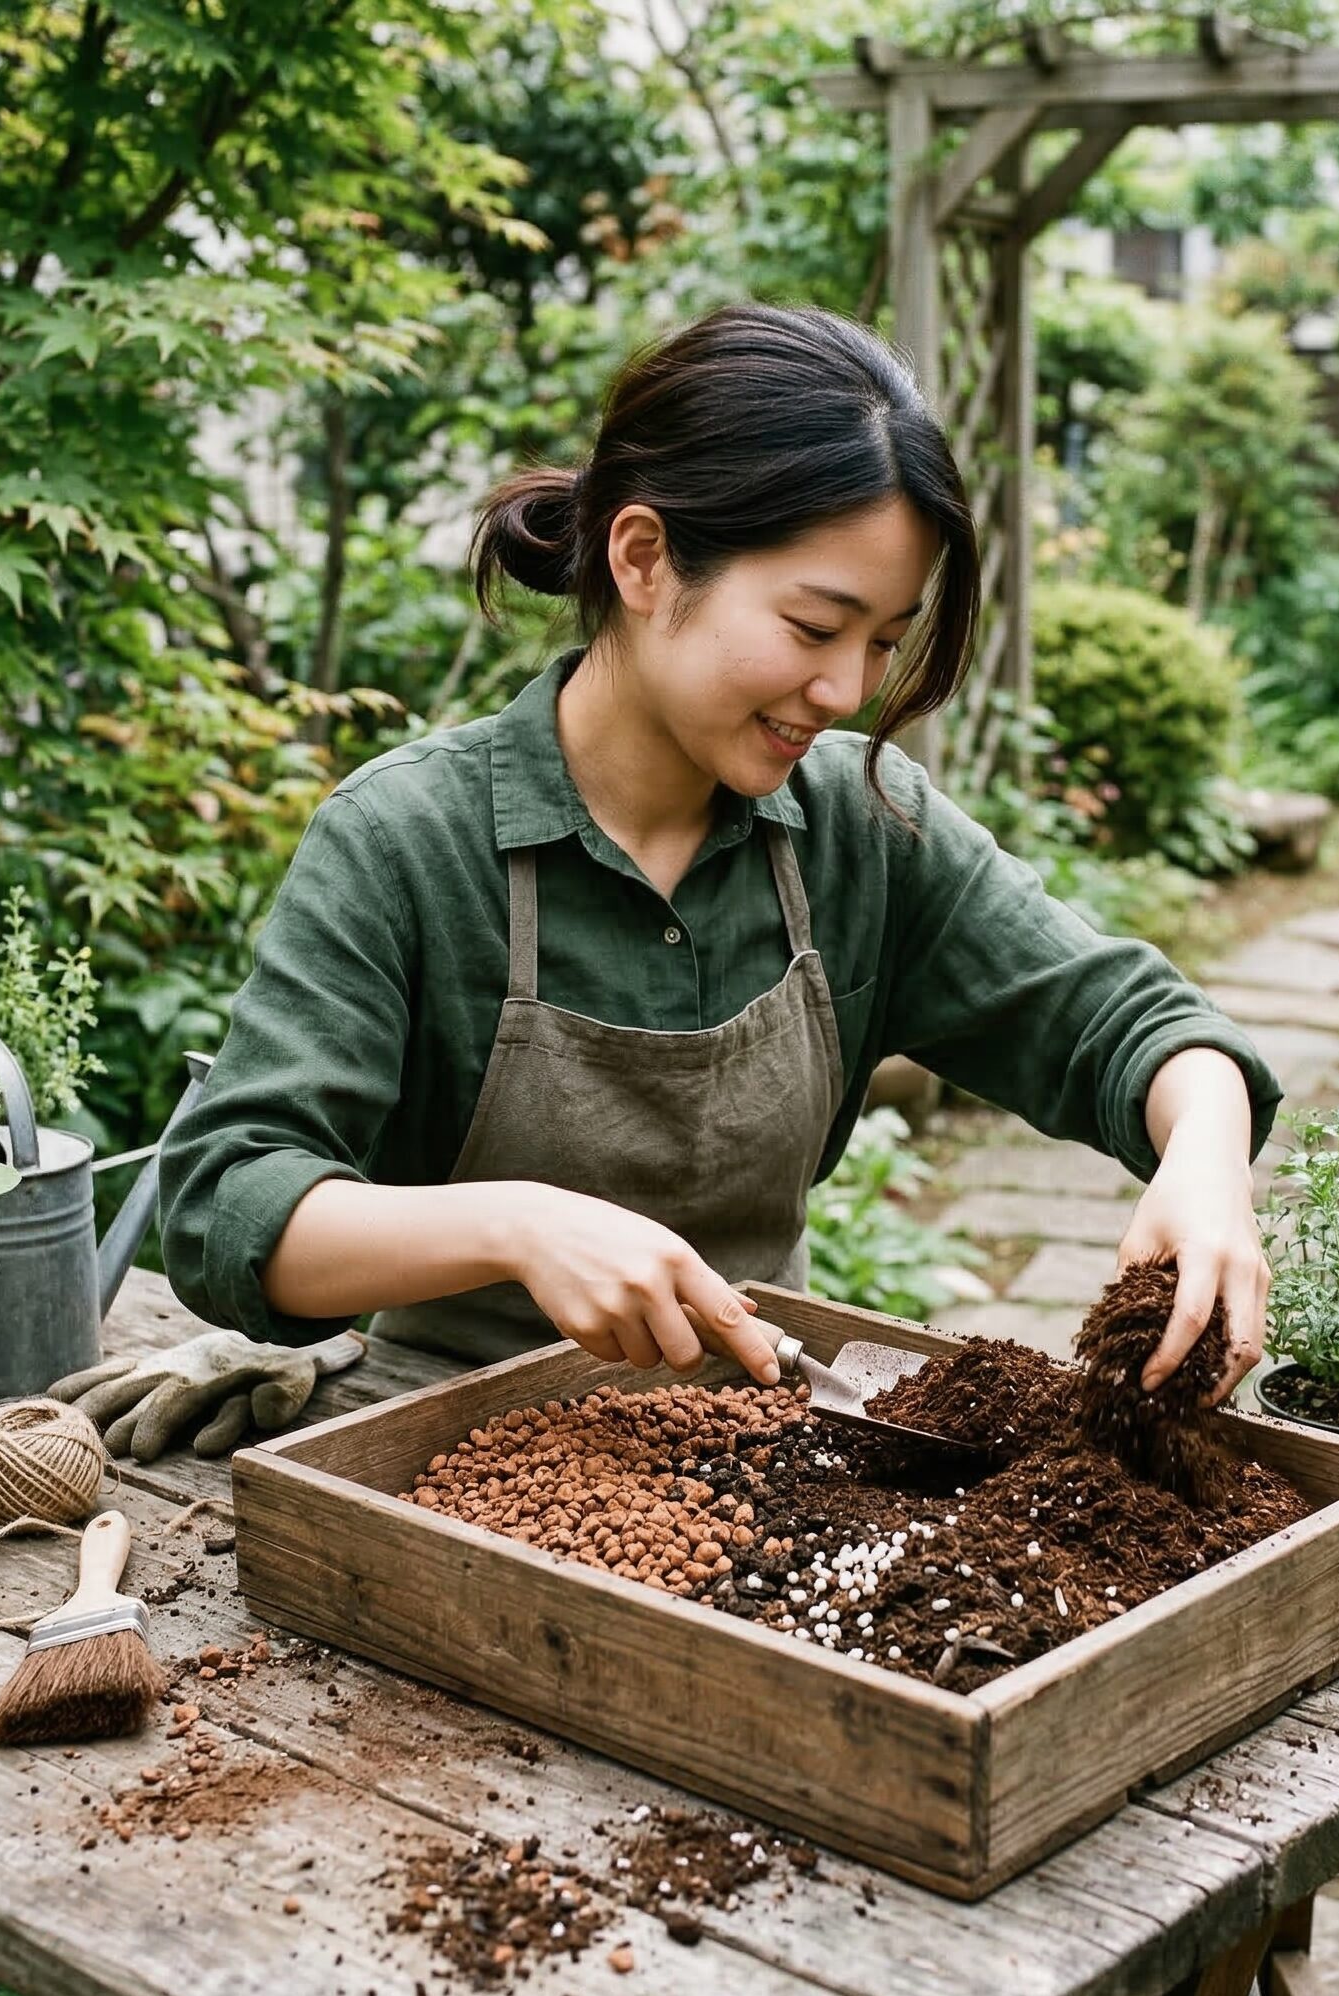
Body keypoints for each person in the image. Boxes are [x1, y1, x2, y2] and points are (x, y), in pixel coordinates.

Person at [159, 301, 1282, 1406]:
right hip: (438, 1458)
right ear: (644, 559)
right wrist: (517, 1224)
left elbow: (1130, 1024)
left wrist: (1205, 1165)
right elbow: (228, 1197)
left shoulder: (861, 827)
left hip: (765, 1451)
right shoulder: (406, 840)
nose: (845, 690)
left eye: (882, 641)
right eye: (811, 628)